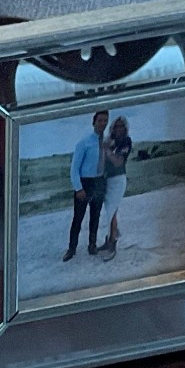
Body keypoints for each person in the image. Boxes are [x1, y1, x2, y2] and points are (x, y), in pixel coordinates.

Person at [64, 109, 109, 260]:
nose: (102, 123)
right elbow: (74, 169)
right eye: (100, 120)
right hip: (85, 183)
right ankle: (71, 249)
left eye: (105, 120)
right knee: (78, 218)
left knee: (95, 216)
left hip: (99, 181)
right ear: (93, 122)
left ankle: (92, 245)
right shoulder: (84, 143)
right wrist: (79, 188)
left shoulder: (107, 142)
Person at [99, 115, 132, 258]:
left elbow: (118, 161)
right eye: (116, 126)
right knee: (110, 211)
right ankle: (111, 237)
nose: (118, 129)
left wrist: (107, 151)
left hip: (118, 179)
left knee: (112, 210)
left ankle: (113, 240)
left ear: (125, 128)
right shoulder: (110, 141)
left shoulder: (126, 142)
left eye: (121, 126)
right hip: (108, 179)